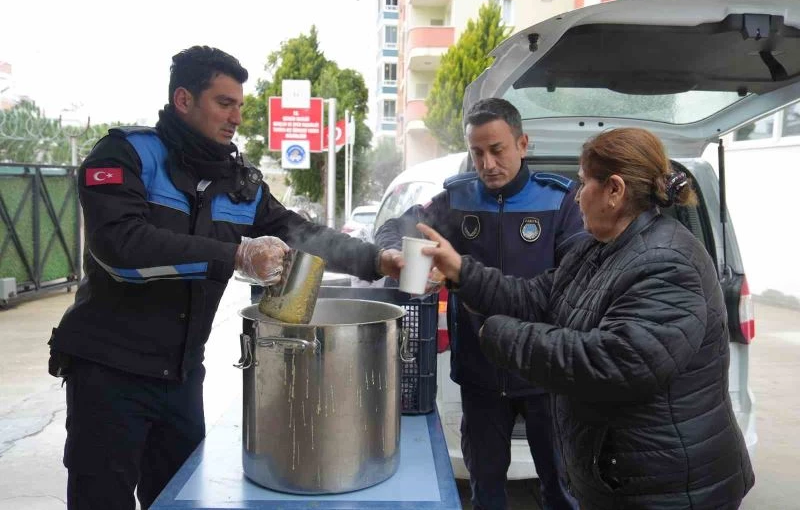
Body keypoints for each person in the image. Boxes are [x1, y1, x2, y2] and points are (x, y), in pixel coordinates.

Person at [48, 45, 402, 510]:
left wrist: (377, 261)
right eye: (224, 103)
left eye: (240, 104)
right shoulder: (126, 155)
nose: (236, 116)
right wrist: (235, 255)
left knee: (179, 498)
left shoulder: (241, 183)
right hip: (109, 375)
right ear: (183, 100)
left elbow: (300, 232)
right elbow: (121, 249)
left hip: (180, 379)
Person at [418, 127, 755, 509]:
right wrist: (460, 270)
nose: (577, 196)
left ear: (614, 190)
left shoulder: (668, 262)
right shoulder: (596, 249)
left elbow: (615, 362)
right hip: (622, 480)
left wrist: (499, 334)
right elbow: (534, 296)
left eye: (582, 183)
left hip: (670, 491)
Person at [375, 98, 585, 510]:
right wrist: (397, 257)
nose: (487, 163)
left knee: (562, 489)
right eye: (477, 152)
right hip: (480, 374)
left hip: (548, 373)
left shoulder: (559, 201)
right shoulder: (456, 199)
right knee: (486, 490)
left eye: (498, 149)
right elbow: (395, 228)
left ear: (522, 143)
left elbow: (574, 282)